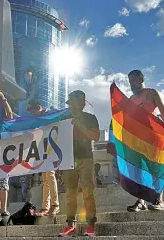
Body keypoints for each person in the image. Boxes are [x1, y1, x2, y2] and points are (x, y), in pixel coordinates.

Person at [126, 69, 164, 212]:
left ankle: (159, 200)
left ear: (141, 79)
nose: (132, 84)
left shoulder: (151, 93)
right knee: (138, 171)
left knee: (155, 169)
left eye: (134, 81)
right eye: (130, 82)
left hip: (152, 138)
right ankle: (141, 201)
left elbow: (162, 109)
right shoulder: (130, 100)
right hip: (137, 140)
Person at [59, 90, 100, 237]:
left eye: (77, 101)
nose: (74, 105)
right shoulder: (63, 118)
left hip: (86, 159)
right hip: (68, 160)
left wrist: (80, 126)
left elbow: (96, 136)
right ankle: (70, 226)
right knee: (70, 194)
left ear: (83, 103)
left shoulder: (90, 118)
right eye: (72, 102)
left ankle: (91, 225)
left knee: (88, 191)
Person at [26, 99, 61, 217]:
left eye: (33, 110)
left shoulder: (51, 113)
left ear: (39, 107)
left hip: (53, 147)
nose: (33, 113)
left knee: (50, 175)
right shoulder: (36, 119)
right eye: (31, 111)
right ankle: (46, 207)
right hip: (43, 150)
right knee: (45, 178)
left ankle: (55, 205)